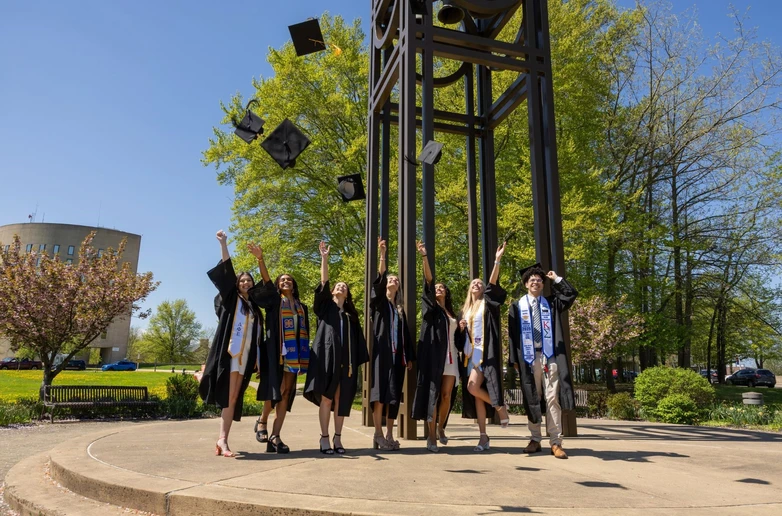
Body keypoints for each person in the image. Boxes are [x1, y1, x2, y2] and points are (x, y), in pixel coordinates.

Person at [199, 230, 264, 458]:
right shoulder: (231, 299)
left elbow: (257, 336)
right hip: (230, 353)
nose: (246, 282)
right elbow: (227, 271)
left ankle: (222, 439)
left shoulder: (254, 307)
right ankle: (223, 440)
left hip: (245, 356)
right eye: (242, 280)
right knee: (228, 395)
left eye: (249, 280)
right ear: (237, 284)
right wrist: (223, 244)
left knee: (235, 397)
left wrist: (256, 358)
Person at [303, 241, 369, 454]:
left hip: (346, 363)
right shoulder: (326, 308)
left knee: (341, 399)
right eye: (338, 285)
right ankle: (324, 438)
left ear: (347, 295)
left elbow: (358, 342)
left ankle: (338, 439)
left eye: (345, 286)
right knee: (326, 397)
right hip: (326, 360)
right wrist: (324, 258)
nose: (341, 287)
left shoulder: (350, 317)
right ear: (332, 291)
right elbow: (323, 282)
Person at [509, 264, 578, 459]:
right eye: (532, 280)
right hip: (528, 359)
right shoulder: (517, 306)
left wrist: (556, 278)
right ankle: (535, 439)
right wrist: (514, 360)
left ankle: (556, 442)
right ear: (526, 284)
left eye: (539, 280)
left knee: (552, 398)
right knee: (532, 398)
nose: (536, 282)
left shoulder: (552, 303)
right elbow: (512, 336)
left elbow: (570, 293)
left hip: (550, 357)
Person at [247, 243, 310, 454]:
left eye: (289, 279)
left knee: (287, 393)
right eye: (282, 279)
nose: (286, 281)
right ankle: (262, 421)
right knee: (277, 390)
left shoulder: (302, 307)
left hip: (295, 356)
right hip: (276, 353)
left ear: (293, 285)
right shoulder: (275, 301)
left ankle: (275, 436)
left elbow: (306, 331)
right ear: (278, 285)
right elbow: (265, 279)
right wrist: (260, 259)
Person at [458, 242, 511, 452]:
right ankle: (483, 436)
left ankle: (499, 407)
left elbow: (492, 283)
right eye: (474, 283)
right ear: (469, 288)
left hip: (485, 354)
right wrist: (461, 328)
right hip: (470, 356)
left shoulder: (486, 304)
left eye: (480, 283)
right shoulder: (465, 310)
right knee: (474, 391)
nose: (477, 285)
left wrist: (497, 260)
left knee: (475, 389)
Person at [412, 241, 462, 453]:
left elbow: (458, 338)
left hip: (451, 358)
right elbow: (429, 281)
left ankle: (441, 427)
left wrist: (462, 327)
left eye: (442, 287)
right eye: (437, 288)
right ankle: (431, 436)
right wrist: (424, 256)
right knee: (433, 394)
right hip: (434, 356)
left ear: (446, 293)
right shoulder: (432, 309)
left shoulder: (451, 313)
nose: (439, 288)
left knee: (446, 395)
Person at [369, 238, 415, 451]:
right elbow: (378, 280)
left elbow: (406, 335)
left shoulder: (399, 310)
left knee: (394, 396)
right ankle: (377, 433)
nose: (393, 280)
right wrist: (382, 255)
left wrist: (410, 357)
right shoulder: (379, 303)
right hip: (382, 356)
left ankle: (388, 434)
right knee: (379, 394)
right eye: (390, 279)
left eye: (396, 279)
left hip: (398, 358)